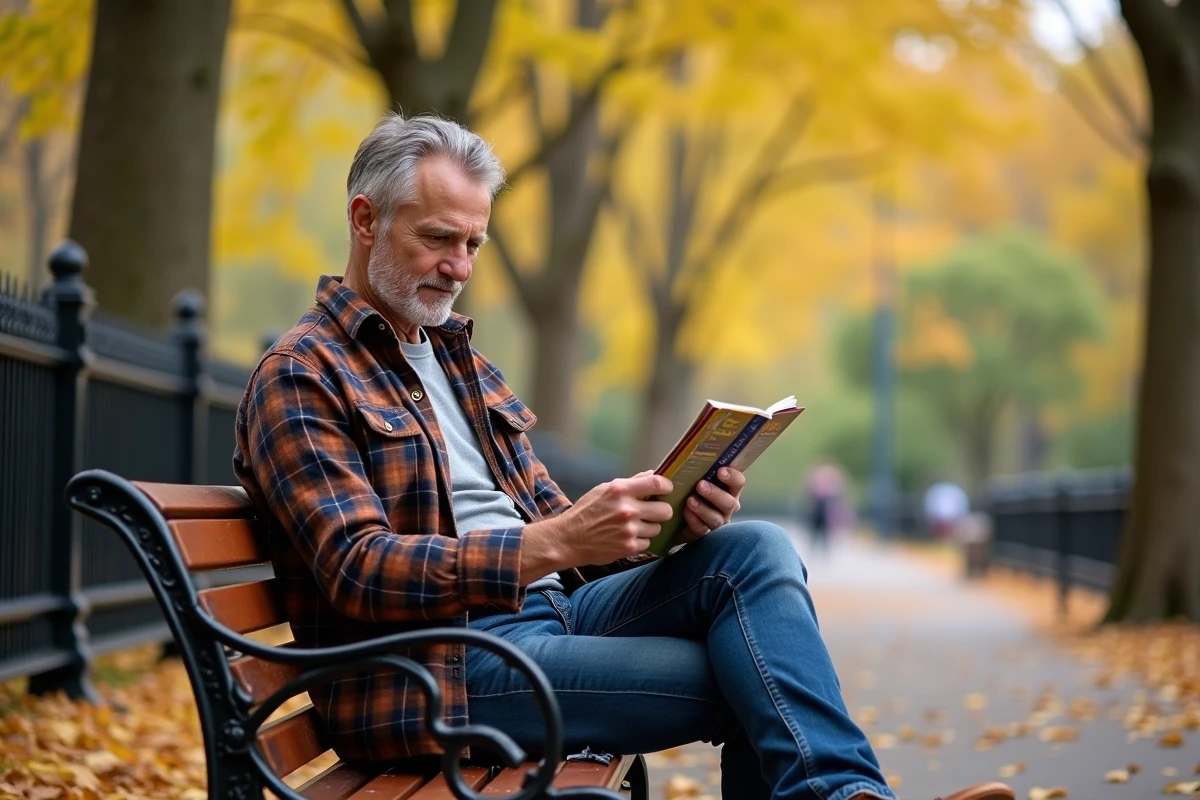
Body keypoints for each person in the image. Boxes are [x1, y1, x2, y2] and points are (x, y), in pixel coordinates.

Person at [233, 113, 1013, 800]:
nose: (461, 266)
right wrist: (557, 542)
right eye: (438, 238)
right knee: (757, 680)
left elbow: (557, 533)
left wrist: (670, 523)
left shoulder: (458, 361)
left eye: (474, 242)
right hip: (439, 673)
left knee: (754, 549)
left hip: (550, 616)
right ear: (365, 220)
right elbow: (357, 568)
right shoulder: (303, 374)